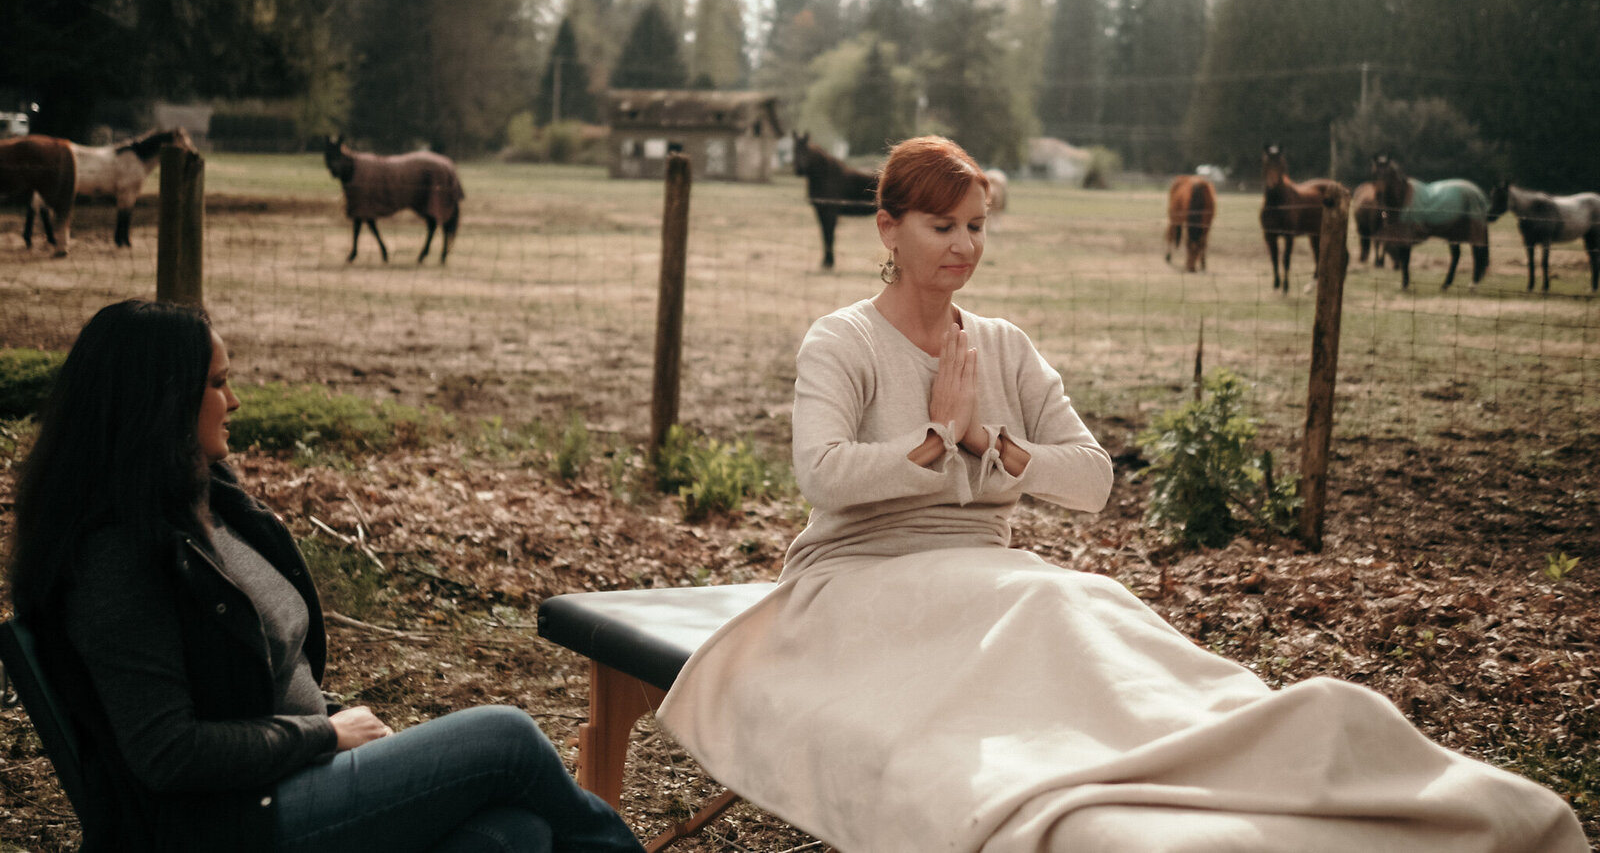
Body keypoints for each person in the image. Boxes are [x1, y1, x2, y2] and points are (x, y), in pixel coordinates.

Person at [657, 137, 1586, 852]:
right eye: (943, 227)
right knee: (1044, 601)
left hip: (991, 581)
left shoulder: (1005, 347)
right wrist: (936, 438)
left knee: (1084, 600)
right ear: (888, 229)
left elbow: (1094, 482)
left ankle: (1284, 743)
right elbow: (821, 475)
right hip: (856, 585)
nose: (965, 246)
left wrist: (996, 442)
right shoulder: (842, 343)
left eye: (977, 225)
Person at [7, 299, 646, 853]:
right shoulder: (116, 557)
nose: (235, 401)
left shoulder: (205, 507)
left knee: (515, 835)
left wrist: (331, 738)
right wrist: (325, 734)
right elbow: (168, 753)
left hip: (293, 786)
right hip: (229, 826)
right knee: (507, 737)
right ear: (161, 402)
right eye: (217, 383)